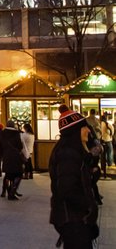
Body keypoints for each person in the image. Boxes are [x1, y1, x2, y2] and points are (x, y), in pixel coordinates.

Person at [49, 106, 99, 248]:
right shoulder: (68, 154)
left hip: (73, 217)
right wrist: (88, 207)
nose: (88, 131)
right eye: (85, 127)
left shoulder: (74, 151)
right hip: (72, 219)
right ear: (75, 131)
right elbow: (67, 189)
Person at [0, 120, 25, 200]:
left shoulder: (2, 133)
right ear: (13, 125)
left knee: (8, 174)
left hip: (6, 156)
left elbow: (0, 145)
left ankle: (4, 191)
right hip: (15, 156)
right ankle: (12, 192)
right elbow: (20, 146)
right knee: (18, 174)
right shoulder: (17, 133)